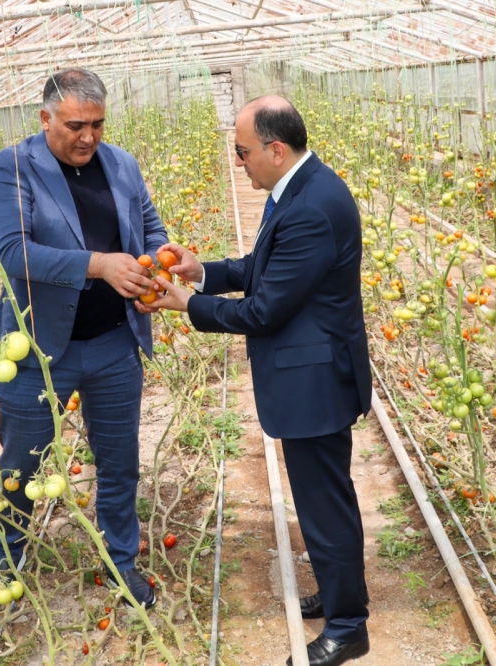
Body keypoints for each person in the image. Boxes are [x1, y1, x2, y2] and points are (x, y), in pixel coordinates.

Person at [137, 96, 372, 665]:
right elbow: (266, 268)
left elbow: (264, 310)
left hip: (315, 383)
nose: (237, 162)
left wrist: (187, 303)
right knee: (322, 499)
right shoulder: (297, 190)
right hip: (313, 374)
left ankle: (348, 627)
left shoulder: (311, 207)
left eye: (242, 152)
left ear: (276, 149)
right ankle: (339, 595)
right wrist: (204, 271)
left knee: (325, 505)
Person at [0, 68, 167, 609]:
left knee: (119, 461)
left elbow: (151, 228)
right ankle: (9, 558)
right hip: (38, 349)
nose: (88, 137)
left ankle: (120, 560)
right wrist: (99, 265)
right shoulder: (11, 167)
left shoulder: (122, 164)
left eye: (97, 124)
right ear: (45, 119)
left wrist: (155, 264)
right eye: (75, 126)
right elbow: (13, 251)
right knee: (21, 464)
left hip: (114, 342)